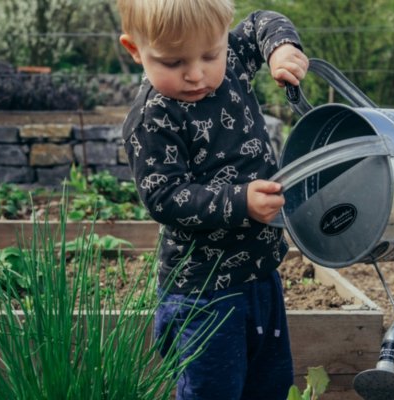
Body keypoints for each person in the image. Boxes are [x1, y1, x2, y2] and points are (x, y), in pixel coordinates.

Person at [117, 1, 308, 399]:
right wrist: (240, 202)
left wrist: (280, 48)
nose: (195, 74)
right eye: (172, 62)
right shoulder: (154, 116)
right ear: (135, 50)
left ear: (223, 39)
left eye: (210, 55)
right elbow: (164, 196)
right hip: (203, 293)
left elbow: (261, 22)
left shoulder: (233, 59)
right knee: (212, 390)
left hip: (261, 274)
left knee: (269, 384)